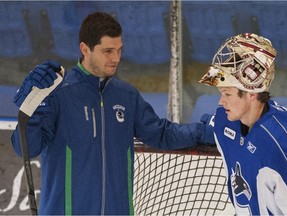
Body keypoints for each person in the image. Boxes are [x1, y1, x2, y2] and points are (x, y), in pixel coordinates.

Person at [11, 12, 214, 215]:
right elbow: (26, 148)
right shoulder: (58, 95)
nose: (116, 58)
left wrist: (204, 131)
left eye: (119, 50)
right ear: (85, 49)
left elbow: (162, 134)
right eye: (108, 51)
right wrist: (32, 107)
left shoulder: (126, 96)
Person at [199, 33, 287, 215]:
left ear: (251, 94)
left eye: (227, 94)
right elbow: (197, 132)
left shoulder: (280, 138)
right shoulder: (227, 120)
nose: (220, 102)